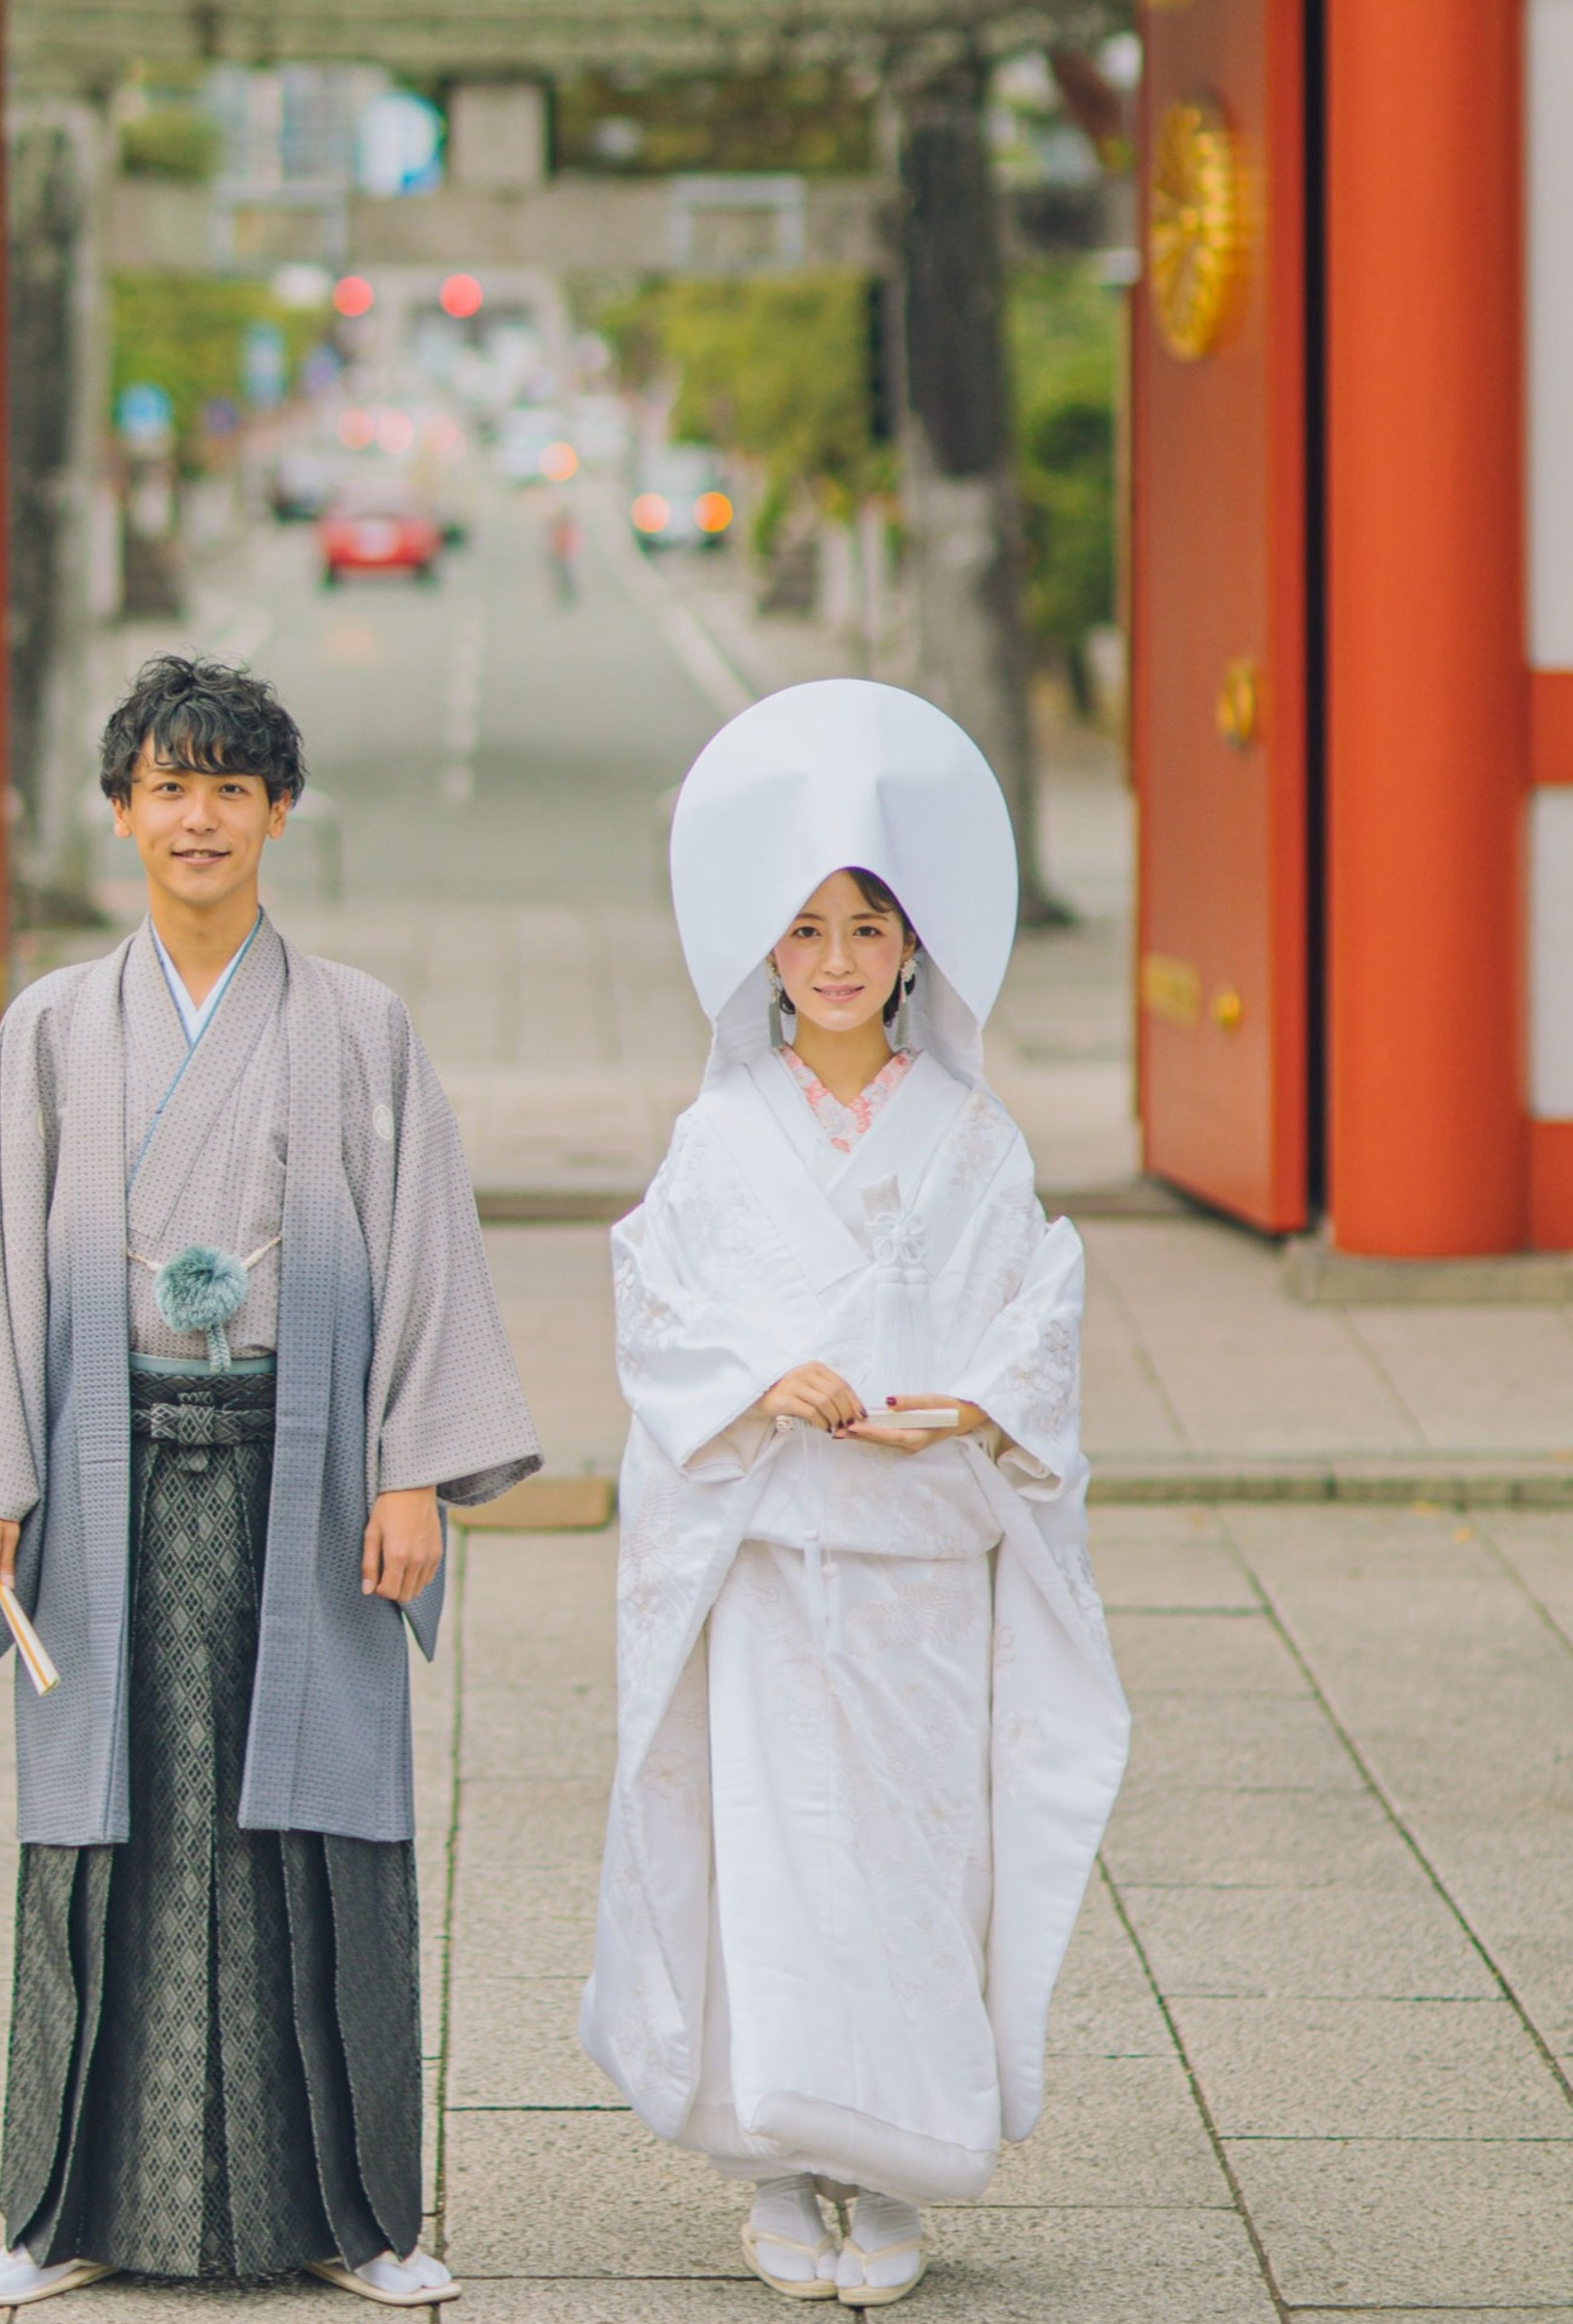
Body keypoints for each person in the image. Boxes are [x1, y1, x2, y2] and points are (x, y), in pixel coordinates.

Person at [0, 657, 539, 2311]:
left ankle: (353, 2217)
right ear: (121, 813)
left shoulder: (359, 1027)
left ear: (279, 811)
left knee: (317, 1825)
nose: (200, 816)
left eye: (232, 787)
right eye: (169, 785)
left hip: (310, 1474)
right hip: (108, 1472)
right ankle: (65, 2209)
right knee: (114, 1825)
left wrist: (413, 1471)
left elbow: (422, 1253)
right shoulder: (54, 1029)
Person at [581, 680, 1129, 2309]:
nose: (835, 957)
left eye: (866, 927)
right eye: (806, 926)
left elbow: (1035, 1305)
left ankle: (892, 2164)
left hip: (915, 1568)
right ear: (764, 948)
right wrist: (763, 1377)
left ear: (910, 950)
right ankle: (770, 2153)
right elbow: (655, 1307)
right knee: (769, 1854)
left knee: (907, 1861)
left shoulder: (972, 1136)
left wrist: (979, 1400)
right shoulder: (714, 1135)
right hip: (766, 1560)